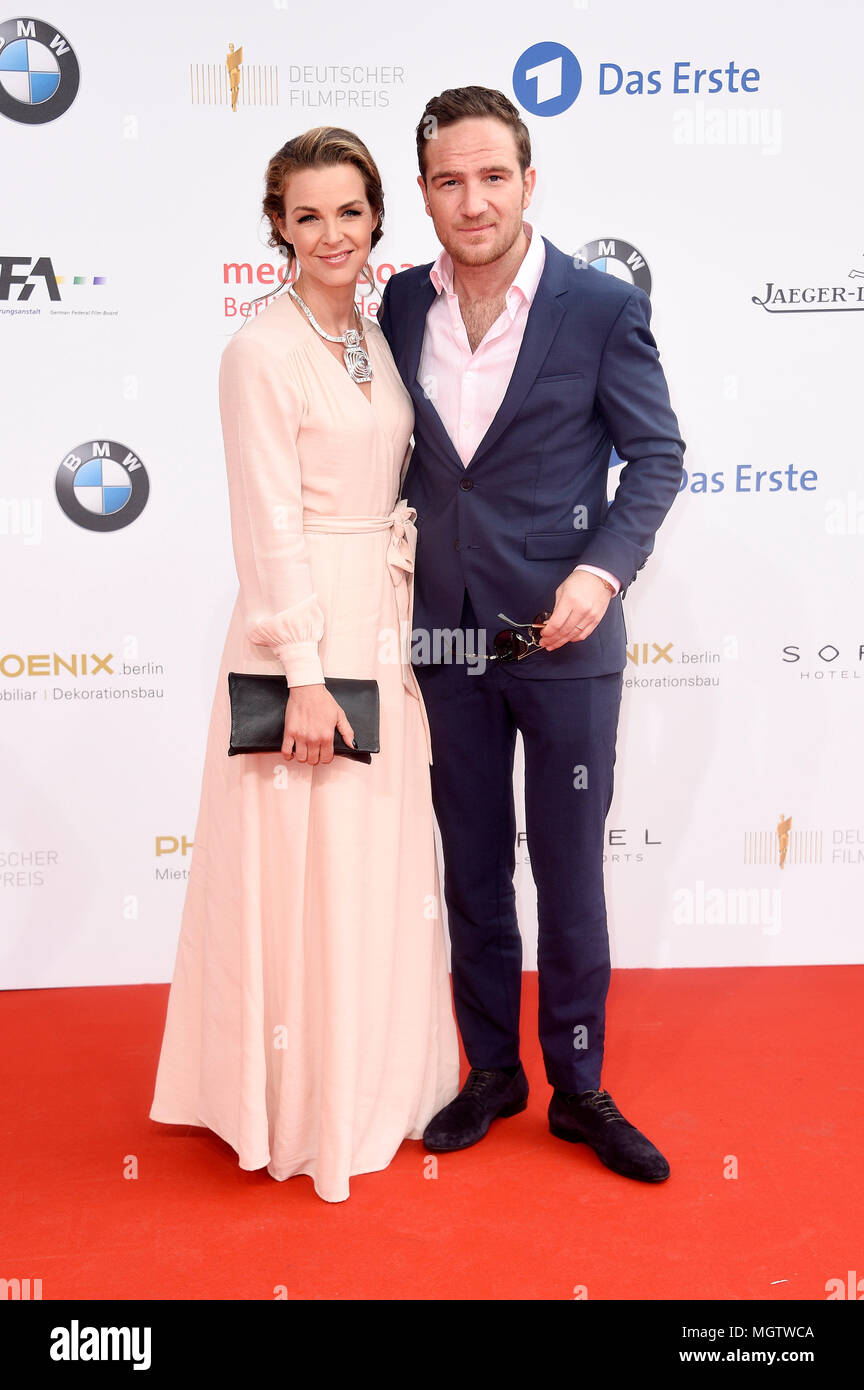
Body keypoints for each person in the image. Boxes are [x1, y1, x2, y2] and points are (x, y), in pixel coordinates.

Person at [380, 87, 685, 1183]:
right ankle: (492, 1070)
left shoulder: (598, 307)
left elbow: (656, 457)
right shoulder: (399, 309)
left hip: (564, 645)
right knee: (469, 869)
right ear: (423, 193)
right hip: (445, 647)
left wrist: (600, 574)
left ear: (528, 181)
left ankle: (582, 1086)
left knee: (567, 871)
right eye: (450, 181)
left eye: (493, 177)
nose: (473, 201)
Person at [149, 126, 460, 1204]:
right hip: (310, 637)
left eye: (352, 211)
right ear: (276, 224)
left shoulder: (370, 334)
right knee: (306, 870)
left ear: (379, 218)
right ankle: (296, 1108)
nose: (333, 233)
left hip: (382, 614)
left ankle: (373, 1084)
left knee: (372, 868)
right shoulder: (260, 350)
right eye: (309, 214)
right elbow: (266, 522)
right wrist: (304, 675)